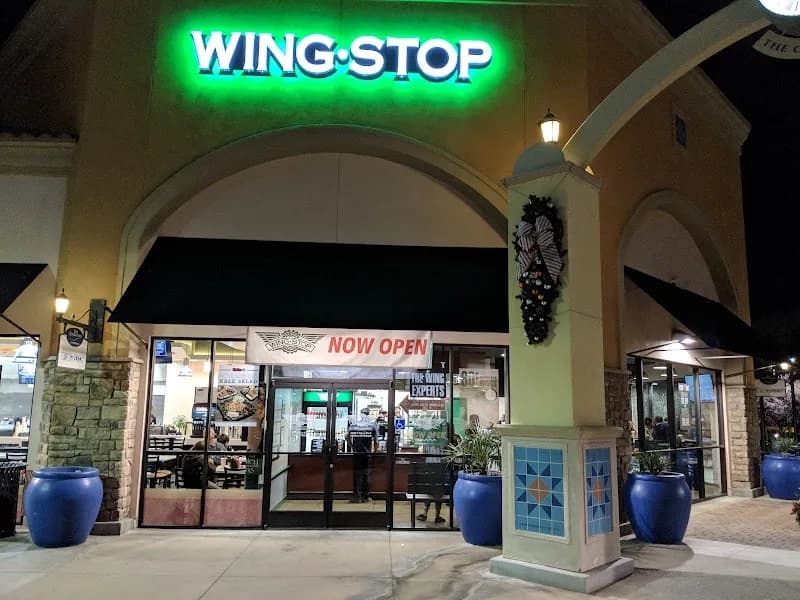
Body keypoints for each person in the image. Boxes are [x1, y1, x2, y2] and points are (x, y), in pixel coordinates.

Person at [346, 407, 379, 503]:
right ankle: (366, 497)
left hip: (357, 454)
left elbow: (346, 436)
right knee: (366, 475)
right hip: (367, 454)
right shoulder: (372, 425)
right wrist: (374, 452)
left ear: (361, 414)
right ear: (368, 414)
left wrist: (352, 446)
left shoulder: (354, 425)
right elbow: (376, 441)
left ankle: (357, 496)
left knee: (357, 475)